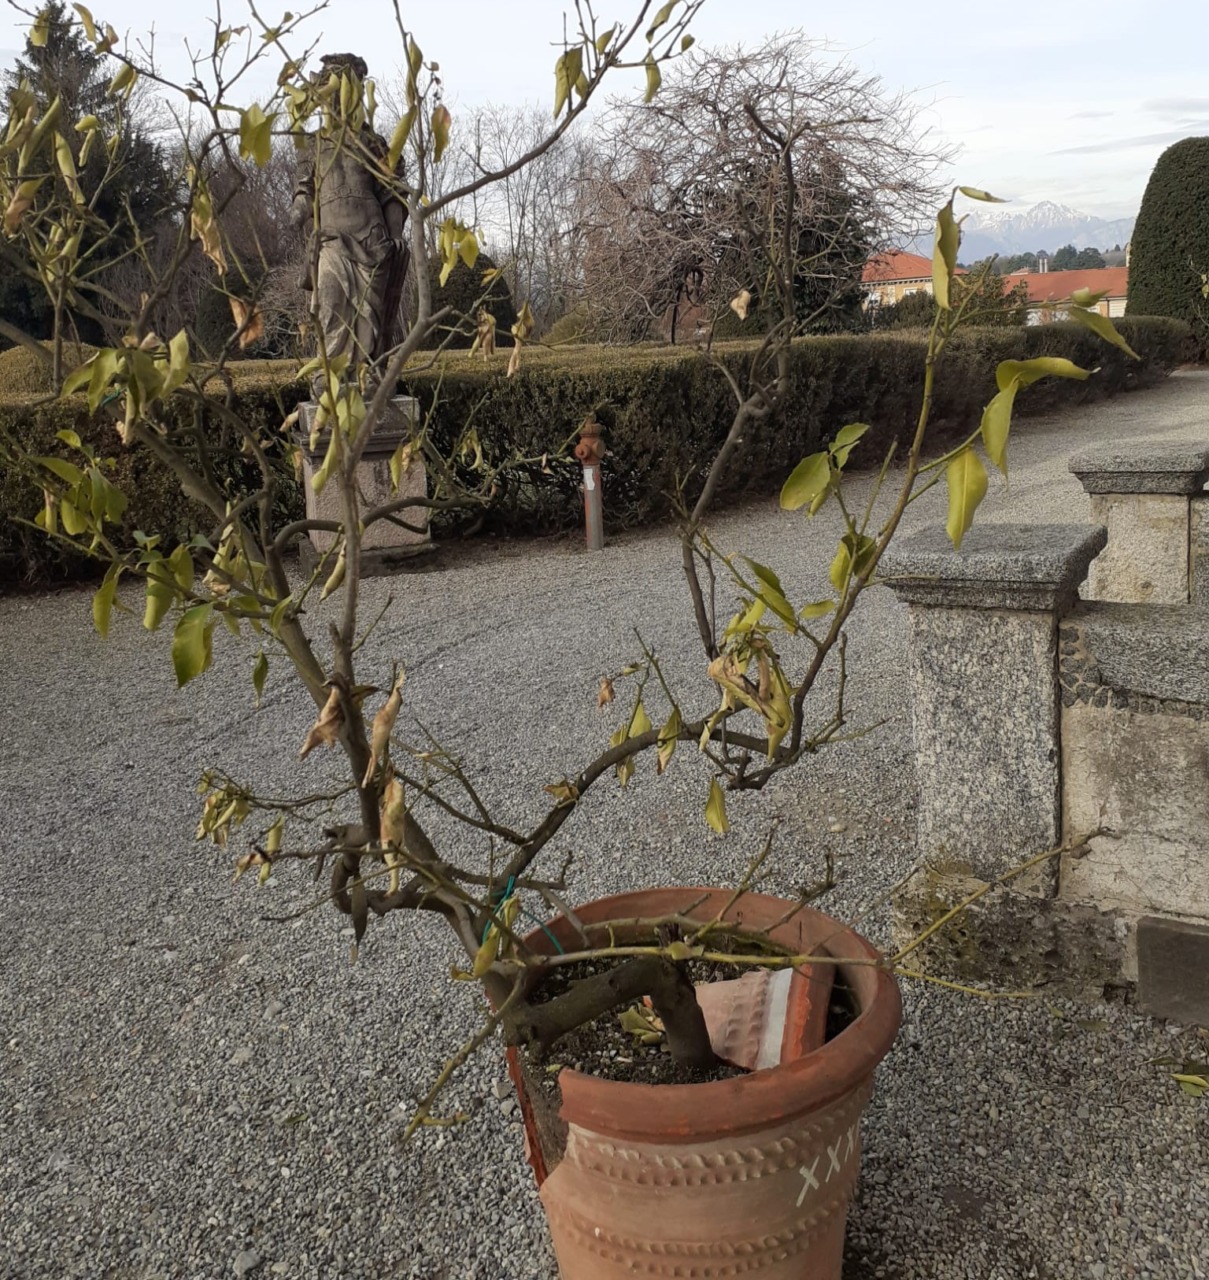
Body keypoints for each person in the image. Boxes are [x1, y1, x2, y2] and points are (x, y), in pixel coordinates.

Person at [292, 53, 409, 394]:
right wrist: (296, 213)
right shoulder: (313, 147)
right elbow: (304, 191)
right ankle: (330, 373)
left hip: (372, 240)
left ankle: (367, 373)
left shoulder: (373, 144)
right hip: (330, 240)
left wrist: (397, 233)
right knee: (330, 305)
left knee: (368, 315)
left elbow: (390, 195)